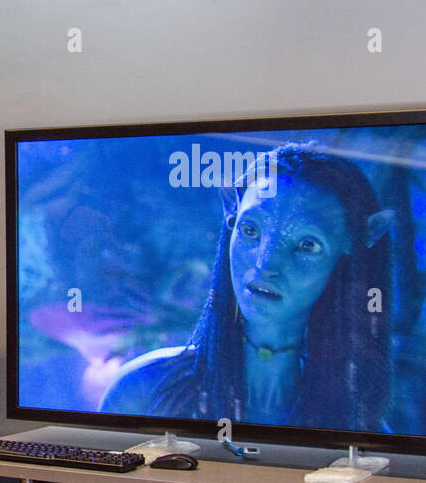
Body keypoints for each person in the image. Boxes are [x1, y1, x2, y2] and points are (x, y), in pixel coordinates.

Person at [101, 143, 394, 431]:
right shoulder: (142, 391)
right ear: (231, 208)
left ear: (356, 242)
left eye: (307, 244)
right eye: (250, 230)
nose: (266, 265)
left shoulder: (357, 427)